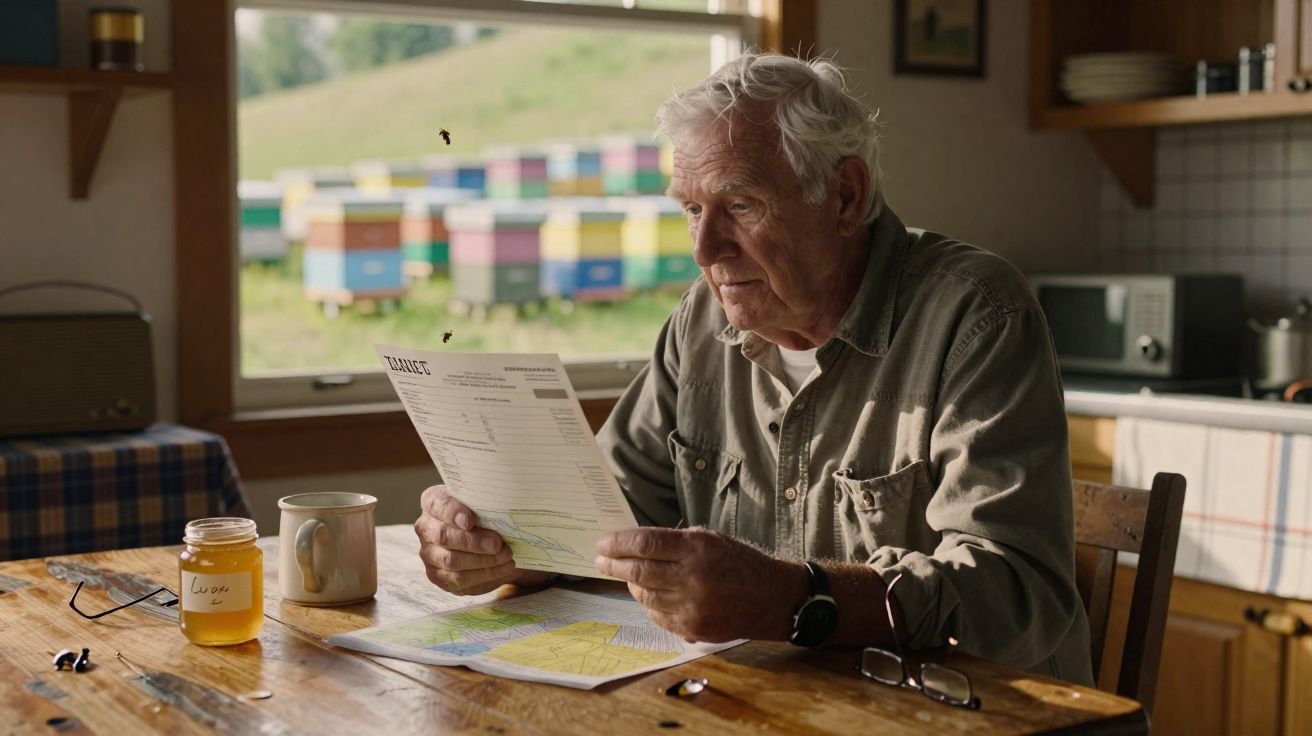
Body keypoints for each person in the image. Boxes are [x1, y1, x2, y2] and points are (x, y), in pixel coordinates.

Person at [414, 52, 1094, 686]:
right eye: (690, 210)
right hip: (774, 706)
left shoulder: (977, 315)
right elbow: (607, 518)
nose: (706, 248)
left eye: (740, 205)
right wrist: (507, 545)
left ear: (845, 196)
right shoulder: (700, 323)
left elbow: (1019, 596)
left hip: (964, 715)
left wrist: (798, 598)